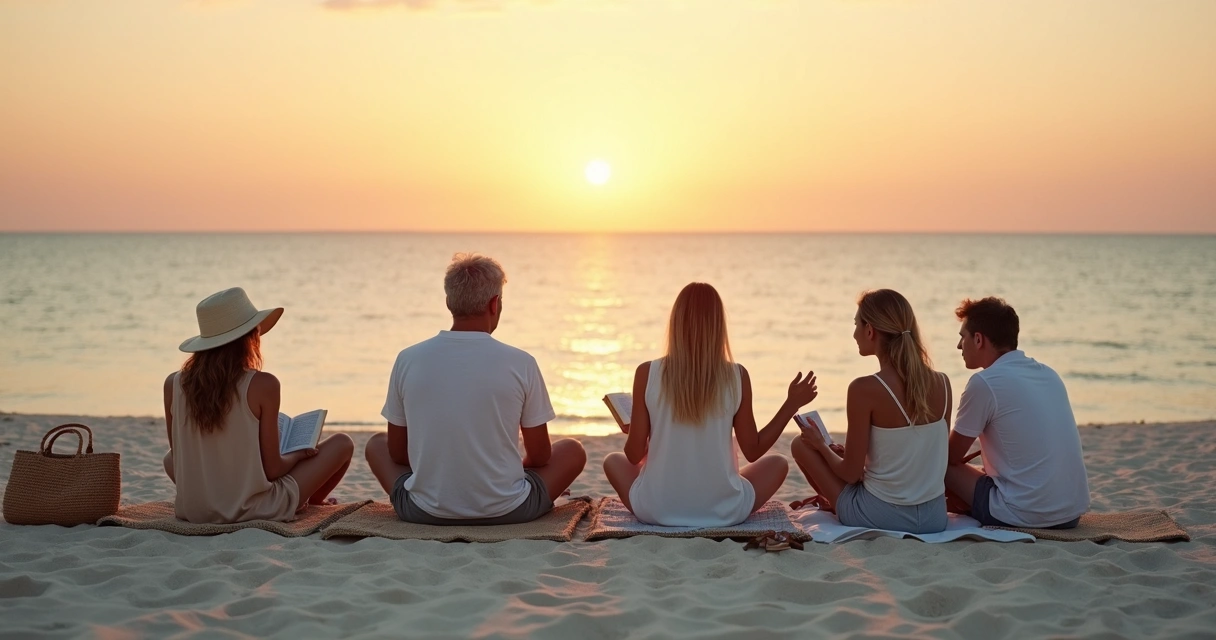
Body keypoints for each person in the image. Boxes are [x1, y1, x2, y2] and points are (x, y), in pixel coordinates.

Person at [365, 253, 587, 525]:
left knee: (377, 444)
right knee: (573, 450)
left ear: (449, 302)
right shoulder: (521, 362)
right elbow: (541, 456)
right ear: (495, 304)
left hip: (424, 511)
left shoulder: (408, 359)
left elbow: (398, 454)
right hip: (509, 510)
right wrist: (506, 470)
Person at [602, 282, 817, 527]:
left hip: (656, 509)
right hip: (724, 513)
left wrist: (639, 432)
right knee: (778, 463)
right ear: (718, 326)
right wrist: (791, 404)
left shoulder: (647, 373)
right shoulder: (737, 376)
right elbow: (753, 450)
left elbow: (632, 455)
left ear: (676, 322)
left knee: (612, 460)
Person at [163, 287, 355, 524]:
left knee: (169, 458)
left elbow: (180, 456)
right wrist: (297, 455)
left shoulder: (173, 383)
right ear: (249, 338)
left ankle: (303, 500)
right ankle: (311, 502)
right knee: (342, 443)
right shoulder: (263, 384)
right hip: (252, 508)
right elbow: (273, 470)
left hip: (193, 509)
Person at [791, 289, 951, 534]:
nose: (854, 333)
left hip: (882, 516)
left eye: (856, 324)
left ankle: (834, 502)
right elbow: (925, 458)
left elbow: (851, 474)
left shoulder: (863, 389)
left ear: (870, 330)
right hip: (935, 518)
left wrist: (821, 446)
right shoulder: (943, 383)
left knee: (800, 444)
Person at [944, 297, 1089, 529]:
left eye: (963, 337)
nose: (959, 346)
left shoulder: (984, 383)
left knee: (935, 464)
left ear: (978, 339)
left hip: (1027, 514)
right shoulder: (1049, 374)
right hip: (1070, 514)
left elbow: (949, 458)